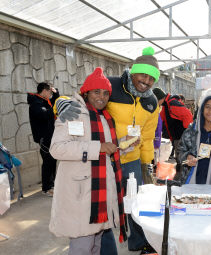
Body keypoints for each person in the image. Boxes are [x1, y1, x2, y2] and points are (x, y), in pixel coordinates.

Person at [55, 47, 159, 254]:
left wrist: (148, 165)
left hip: (128, 157)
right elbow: (81, 99)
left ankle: (138, 241)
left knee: (134, 203)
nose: (146, 81)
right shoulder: (110, 85)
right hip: (101, 159)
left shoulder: (152, 101)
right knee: (104, 206)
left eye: (151, 78)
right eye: (143, 74)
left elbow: (147, 137)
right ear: (133, 70)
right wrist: (60, 103)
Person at [49, 67, 127, 254]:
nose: (101, 97)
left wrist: (126, 145)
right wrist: (97, 147)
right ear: (86, 92)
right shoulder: (73, 112)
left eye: (106, 93)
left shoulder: (104, 117)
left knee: (96, 245)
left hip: (99, 194)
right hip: (81, 195)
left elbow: (107, 148)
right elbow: (57, 148)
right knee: (82, 247)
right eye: (96, 92)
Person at [27, 82, 60, 196]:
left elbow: (54, 108)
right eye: (50, 92)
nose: (51, 94)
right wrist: (55, 107)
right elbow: (46, 114)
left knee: (53, 160)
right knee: (47, 161)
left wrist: (56, 95)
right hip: (44, 137)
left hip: (51, 136)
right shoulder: (35, 103)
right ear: (44, 91)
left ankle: (52, 185)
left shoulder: (45, 102)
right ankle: (46, 188)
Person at [160, 93, 193, 164]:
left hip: (180, 134)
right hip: (175, 135)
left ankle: (182, 171)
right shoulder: (166, 105)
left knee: (181, 156)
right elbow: (161, 118)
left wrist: (187, 132)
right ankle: (180, 170)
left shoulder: (172, 103)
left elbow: (188, 115)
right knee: (178, 156)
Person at [152, 88, 167, 165]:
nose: (163, 101)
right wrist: (157, 143)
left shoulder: (157, 108)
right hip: (152, 142)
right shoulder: (154, 110)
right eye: (163, 99)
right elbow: (156, 128)